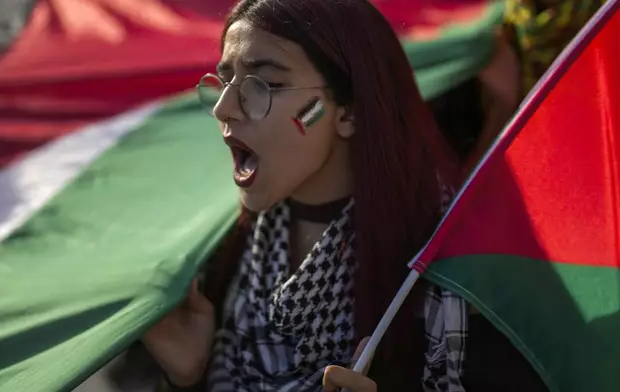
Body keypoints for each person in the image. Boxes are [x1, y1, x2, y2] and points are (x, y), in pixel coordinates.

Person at [142, 0, 549, 391]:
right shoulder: (224, 253)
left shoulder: (449, 275)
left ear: (349, 112)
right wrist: (187, 379)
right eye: (225, 79)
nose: (224, 108)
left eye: (264, 83)